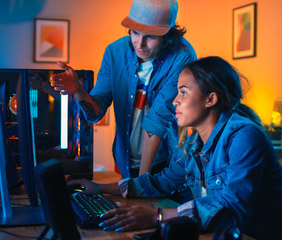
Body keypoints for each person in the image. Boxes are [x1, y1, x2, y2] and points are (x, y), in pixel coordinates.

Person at [68, 56, 282, 239]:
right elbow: (162, 181)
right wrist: (98, 188)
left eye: (184, 92)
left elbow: (230, 210)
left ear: (211, 99)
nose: (175, 100)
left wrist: (156, 217)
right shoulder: (196, 142)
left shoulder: (244, 137)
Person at [50, 0, 197, 178]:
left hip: (168, 166)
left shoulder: (182, 55)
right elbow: (95, 113)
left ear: (167, 36)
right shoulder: (115, 52)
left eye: (150, 36)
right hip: (125, 162)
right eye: (135, 33)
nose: (140, 44)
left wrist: (141, 183)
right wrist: (78, 91)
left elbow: (157, 121)